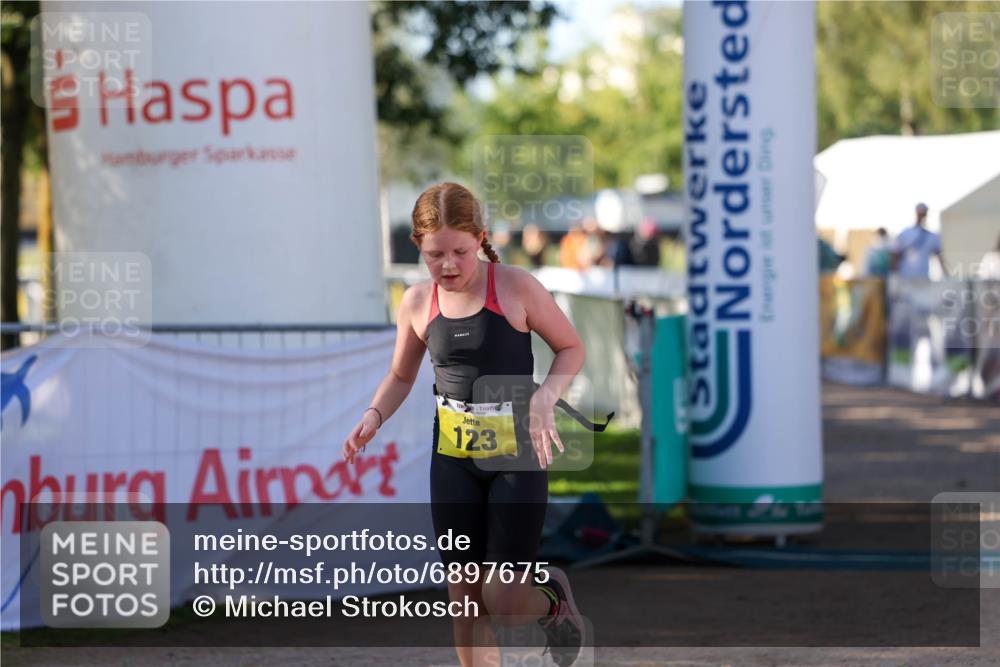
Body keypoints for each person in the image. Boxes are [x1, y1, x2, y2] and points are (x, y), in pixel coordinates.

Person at [342, 182, 605, 667]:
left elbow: (572, 348)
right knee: (463, 600)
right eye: (434, 254)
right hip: (454, 461)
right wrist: (373, 415)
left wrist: (546, 397)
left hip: (516, 457)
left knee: (504, 603)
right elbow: (401, 375)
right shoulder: (417, 303)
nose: (447, 265)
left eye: (460, 252)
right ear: (417, 249)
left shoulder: (515, 287)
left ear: (479, 238)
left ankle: (551, 600)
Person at [892, 203, 947, 279]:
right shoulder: (904, 233)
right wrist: (894, 275)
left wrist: (946, 275)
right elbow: (895, 255)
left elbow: (939, 256)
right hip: (905, 277)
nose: (921, 216)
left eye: (923, 214)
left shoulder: (932, 236)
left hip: (922, 278)